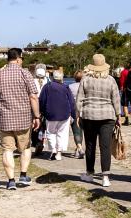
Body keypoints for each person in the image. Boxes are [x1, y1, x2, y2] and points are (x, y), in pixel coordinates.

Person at [0, 48, 41, 190]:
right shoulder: (25, 73)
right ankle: (23, 175)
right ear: (19, 59)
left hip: (4, 119)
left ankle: (11, 180)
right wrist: (37, 116)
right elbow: (33, 96)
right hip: (23, 118)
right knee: (25, 147)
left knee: (7, 150)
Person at [75, 54, 121, 187]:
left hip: (89, 115)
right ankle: (105, 177)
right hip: (107, 116)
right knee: (105, 146)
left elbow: (79, 98)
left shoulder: (85, 79)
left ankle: (90, 173)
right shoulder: (111, 80)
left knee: (90, 145)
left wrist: (78, 114)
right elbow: (116, 99)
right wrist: (118, 115)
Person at [39, 70, 76, 160]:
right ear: (62, 78)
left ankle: (53, 150)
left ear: (53, 77)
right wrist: (73, 114)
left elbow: (42, 100)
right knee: (62, 133)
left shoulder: (47, 87)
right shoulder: (65, 87)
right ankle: (59, 152)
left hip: (50, 113)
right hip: (64, 113)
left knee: (50, 132)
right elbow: (71, 102)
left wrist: (42, 111)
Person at [67, 70, 85, 158]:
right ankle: (78, 149)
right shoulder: (86, 86)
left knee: (76, 131)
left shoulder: (70, 87)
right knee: (82, 131)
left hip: (75, 110)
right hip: (85, 110)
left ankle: (79, 148)